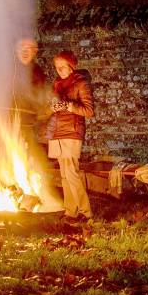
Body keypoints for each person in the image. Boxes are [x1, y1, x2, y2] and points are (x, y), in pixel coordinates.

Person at [47, 50, 94, 222]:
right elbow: (52, 105)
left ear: (71, 66)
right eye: (56, 67)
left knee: (72, 173)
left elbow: (89, 111)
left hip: (72, 132)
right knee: (65, 176)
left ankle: (86, 213)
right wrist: (52, 106)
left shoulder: (81, 83)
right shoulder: (57, 85)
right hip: (57, 132)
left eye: (62, 67)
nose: (59, 70)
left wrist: (68, 105)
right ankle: (70, 212)